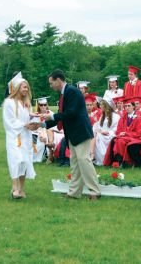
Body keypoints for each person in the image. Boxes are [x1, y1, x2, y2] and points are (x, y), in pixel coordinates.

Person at [40, 69, 101, 200]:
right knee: (74, 163)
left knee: (84, 160)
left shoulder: (72, 92)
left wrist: (51, 116)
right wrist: (43, 124)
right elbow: (62, 116)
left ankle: (95, 191)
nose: (51, 86)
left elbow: (70, 113)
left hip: (80, 132)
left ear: (58, 80)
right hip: (72, 133)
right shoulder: (63, 94)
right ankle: (74, 192)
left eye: (51, 83)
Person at [2, 74, 37, 199]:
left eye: (27, 87)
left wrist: (33, 117)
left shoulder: (26, 103)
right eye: (23, 87)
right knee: (16, 160)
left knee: (25, 161)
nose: (26, 89)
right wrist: (25, 124)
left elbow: (26, 117)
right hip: (15, 137)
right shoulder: (9, 103)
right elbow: (9, 121)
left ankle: (21, 189)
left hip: (26, 137)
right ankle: (14, 188)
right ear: (17, 88)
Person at [91, 97, 120, 166]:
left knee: (97, 137)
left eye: (102, 105)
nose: (100, 106)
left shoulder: (116, 116)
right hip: (102, 134)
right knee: (93, 135)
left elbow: (116, 129)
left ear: (106, 106)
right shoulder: (103, 116)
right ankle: (92, 155)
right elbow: (99, 126)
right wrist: (97, 129)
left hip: (110, 136)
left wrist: (108, 132)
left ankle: (92, 156)